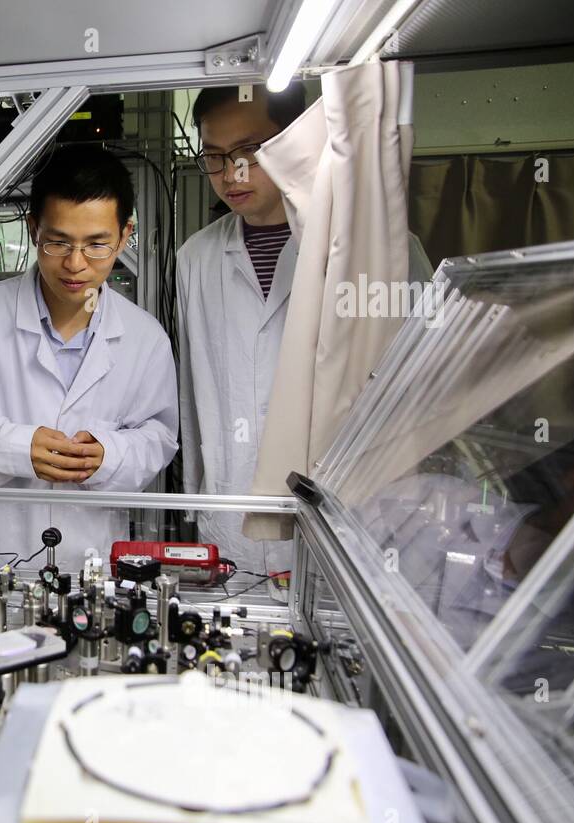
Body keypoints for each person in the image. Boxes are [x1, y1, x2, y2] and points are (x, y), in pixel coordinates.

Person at [176, 83, 432, 576]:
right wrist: (197, 504)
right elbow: (193, 396)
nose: (233, 173)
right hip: (233, 523)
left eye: (251, 150)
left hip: (350, 524)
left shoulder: (377, 248)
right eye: (215, 156)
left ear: (297, 141)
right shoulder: (196, 258)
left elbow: (416, 389)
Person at [0, 145, 179, 569]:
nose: (75, 263)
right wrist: (14, 447)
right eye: (58, 242)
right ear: (33, 230)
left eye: (97, 244)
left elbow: (158, 439)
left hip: (91, 560)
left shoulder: (145, 338)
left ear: (125, 235)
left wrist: (109, 455)